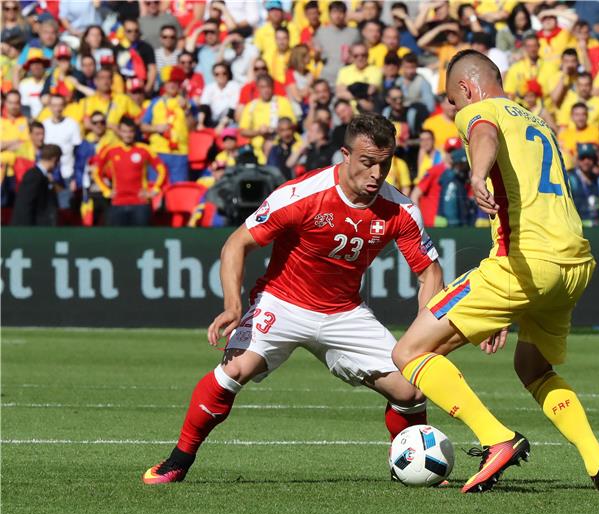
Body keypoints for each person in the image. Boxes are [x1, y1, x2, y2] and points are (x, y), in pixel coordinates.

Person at [142, 114, 445, 485]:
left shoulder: (400, 210)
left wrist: (423, 340)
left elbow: (430, 272)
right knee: (234, 370)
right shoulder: (302, 195)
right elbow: (238, 243)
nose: (377, 174)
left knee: (411, 389)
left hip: (343, 312)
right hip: (281, 302)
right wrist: (233, 306)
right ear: (345, 155)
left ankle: (409, 465)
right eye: (368, 163)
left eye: (386, 163)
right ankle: (178, 460)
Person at [391, 50, 599, 494]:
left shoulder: (480, 110)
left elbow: (483, 131)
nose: (453, 110)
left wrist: (476, 174)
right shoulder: (540, 123)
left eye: (451, 101)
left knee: (409, 353)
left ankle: (496, 437)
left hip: (525, 263)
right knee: (532, 367)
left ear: (466, 88)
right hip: (574, 264)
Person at [94, 118, 167, 226]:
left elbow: (162, 170)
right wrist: (106, 191)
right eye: (124, 131)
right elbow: (96, 172)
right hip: (117, 202)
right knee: (118, 239)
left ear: (135, 132)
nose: (128, 135)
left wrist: (154, 190)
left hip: (140, 202)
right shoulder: (110, 150)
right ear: (119, 132)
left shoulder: (144, 149)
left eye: (130, 131)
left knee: (141, 239)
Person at [11, 144, 61, 226]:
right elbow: (25, 206)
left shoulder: (44, 176)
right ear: (54, 159)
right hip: (30, 231)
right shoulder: (34, 175)